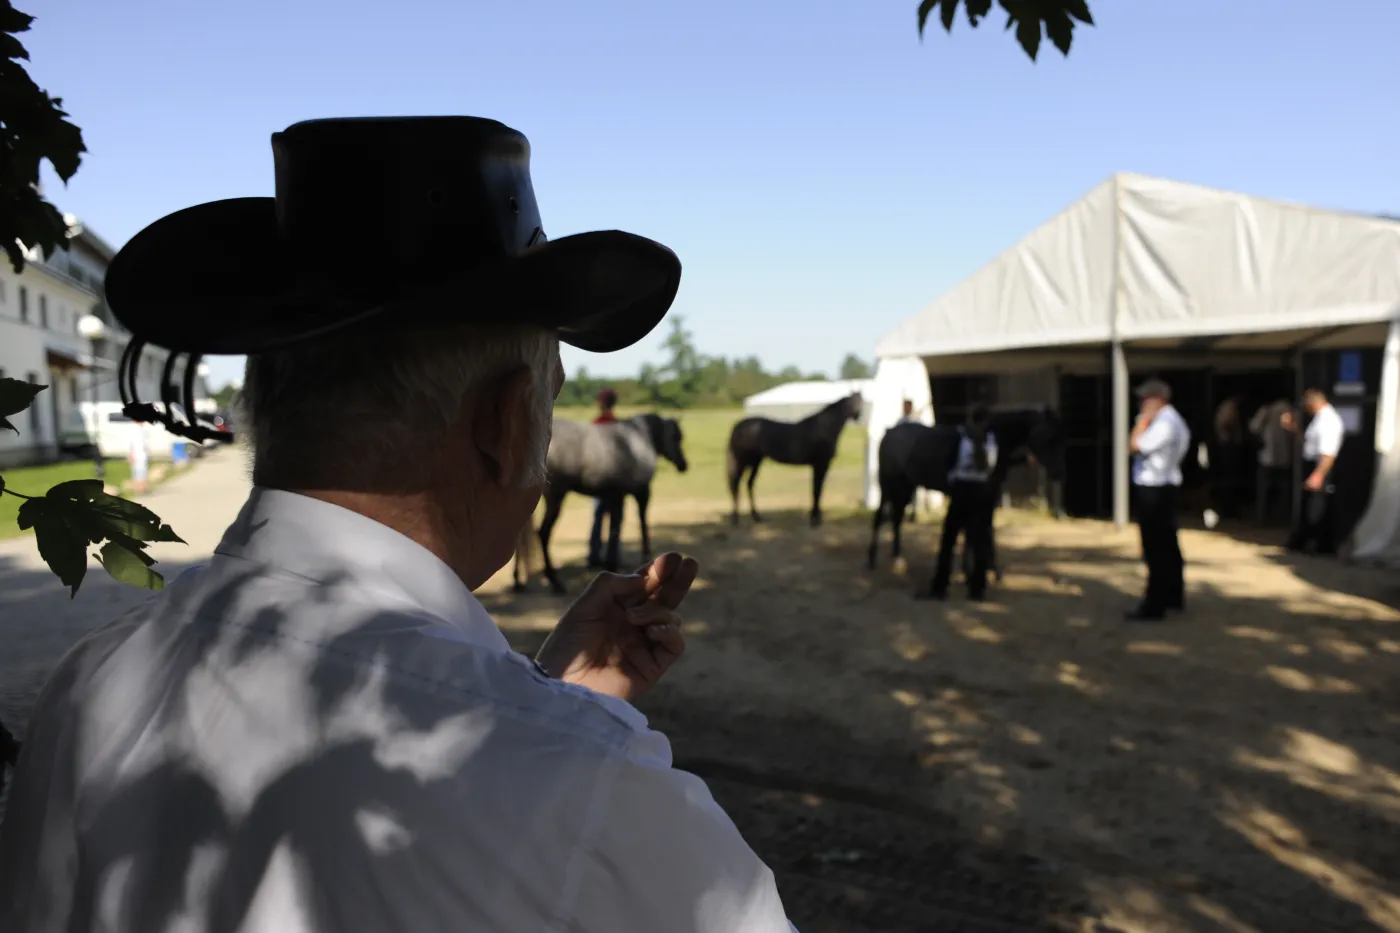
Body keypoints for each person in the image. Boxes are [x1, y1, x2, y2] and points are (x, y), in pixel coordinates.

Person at [0, 117, 796, 933]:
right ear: (505, 421)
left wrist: (548, 698)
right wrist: (555, 727)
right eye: (548, 396)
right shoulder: (598, 792)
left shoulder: (86, 684)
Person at [1126, 378, 1191, 622]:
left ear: (1157, 399)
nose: (1141, 403)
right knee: (1168, 545)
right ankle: (1173, 595)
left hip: (1155, 487)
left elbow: (1135, 446)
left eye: (1144, 399)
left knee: (1155, 548)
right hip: (1164, 485)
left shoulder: (1163, 423)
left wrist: (1141, 423)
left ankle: (1155, 604)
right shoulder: (1171, 420)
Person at [928, 404, 997, 601]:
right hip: (982, 490)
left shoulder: (960, 437)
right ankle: (978, 589)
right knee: (979, 542)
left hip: (962, 490)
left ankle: (940, 586)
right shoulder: (990, 439)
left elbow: (948, 463)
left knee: (949, 540)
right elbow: (991, 468)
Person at [1282, 387, 1345, 555]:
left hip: (1321, 466)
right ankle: (1306, 544)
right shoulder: (1318, 419)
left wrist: (1318, 474)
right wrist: (1295, 428)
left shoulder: (1329, 421)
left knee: (1316, 508)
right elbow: (1308, 442)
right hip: (1312, 464)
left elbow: (1328, 453)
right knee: (1310, 506)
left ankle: (1317, 546)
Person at [588, 387, 620, 568]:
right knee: (615, 519)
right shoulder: (617, 424)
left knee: (598, 517)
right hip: (616, 480)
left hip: (599, 479)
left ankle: (594, 556)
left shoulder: (596, 424)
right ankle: (613, 558)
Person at [1249, 396, 1294, 525]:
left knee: (1263, 488)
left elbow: (1254, 427)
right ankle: (1282, 518)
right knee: (1284, 488)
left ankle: (1261, 518)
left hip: (1267, 456)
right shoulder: (1289, 410)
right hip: (1285, 455)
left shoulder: (1266, 409)